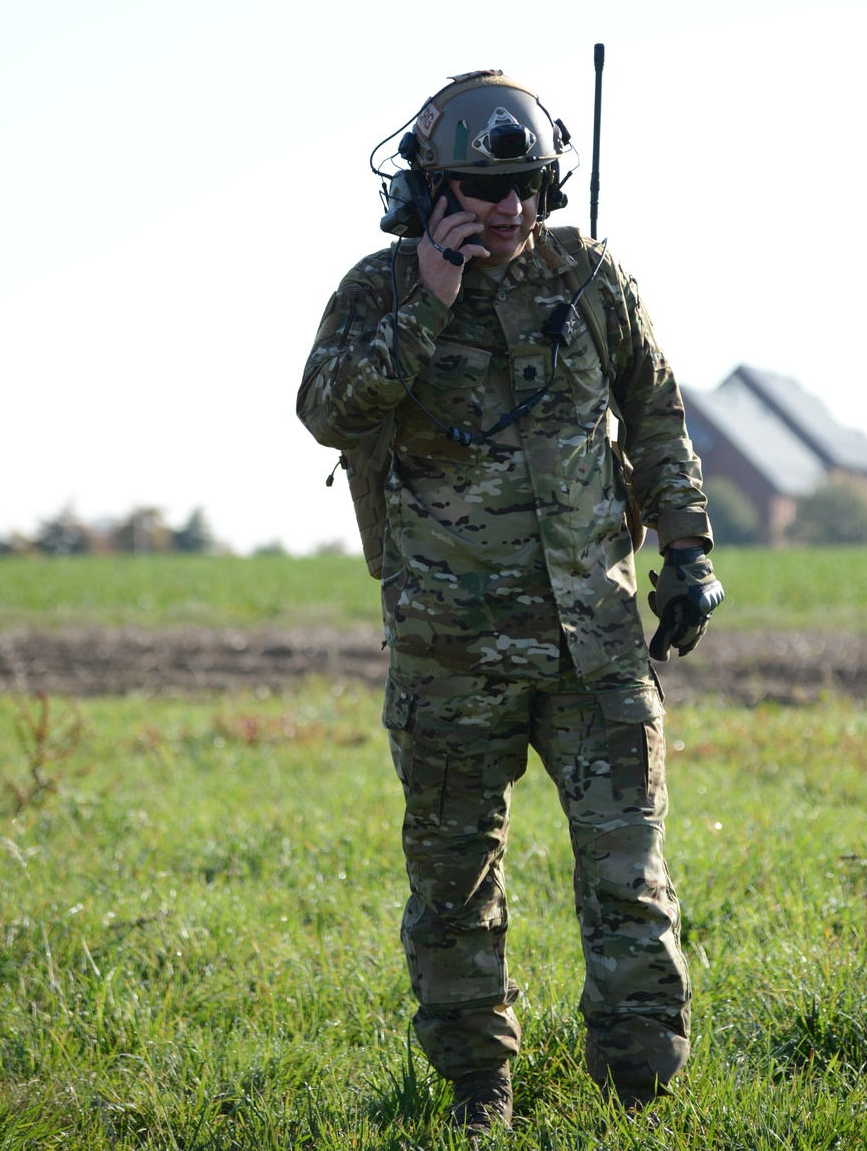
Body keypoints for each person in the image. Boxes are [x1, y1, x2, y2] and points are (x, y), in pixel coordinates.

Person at [297, 70, 722, 1137]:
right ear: (427, 191)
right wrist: (429, 305)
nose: (509, 212)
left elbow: (656, 414)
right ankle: (476, 1088)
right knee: (453, 887)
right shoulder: (379, 290)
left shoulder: (588, 280)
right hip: (449, 654)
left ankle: (638, 1090)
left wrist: (687, 552)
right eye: (482, 191)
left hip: (595, 645)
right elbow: (326, 408)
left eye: (526, 188)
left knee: (628, 877)